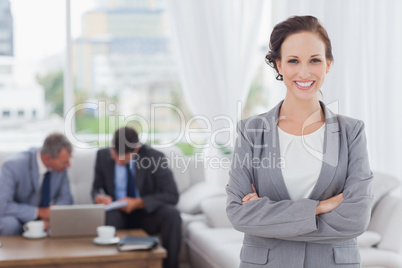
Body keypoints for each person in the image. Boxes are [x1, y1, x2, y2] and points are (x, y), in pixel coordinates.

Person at [226, 15, 373, 268]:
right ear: (278, 65)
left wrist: (270, 217)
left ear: (328, 64)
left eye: (314, 60)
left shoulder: (352, 132)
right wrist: (321, 207)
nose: (304, 72)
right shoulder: (250, 131)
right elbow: (239, 214)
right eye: (293, 60)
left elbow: (355, 219)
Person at [92, 126, 181, 268]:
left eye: (122, 159)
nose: (116, 160)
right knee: (107, 218)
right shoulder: (102, 156)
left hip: (145, 214)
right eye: (114, 154)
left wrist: (138, 203)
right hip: (117, 214)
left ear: (136, 150)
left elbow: (172, 194)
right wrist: (99, 197)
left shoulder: (154, 157)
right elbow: (96, 188)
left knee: (172, 215)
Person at [0, 133, 73, 236]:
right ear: (47, 158)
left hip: (47, 220)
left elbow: (66, 199)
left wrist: (53, 214)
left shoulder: (61, 169)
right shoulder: (13, 165)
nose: (68, 165)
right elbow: (3, 205)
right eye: (64, 162)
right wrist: (39, 212)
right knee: (9, 224)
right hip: (19, 217)